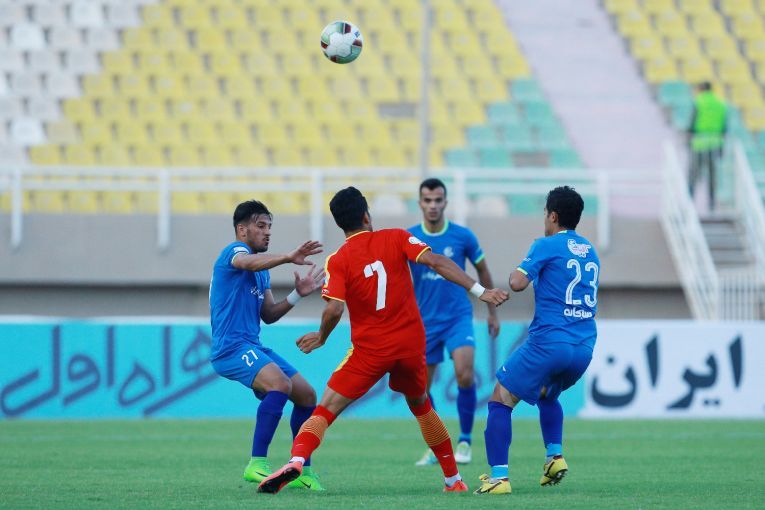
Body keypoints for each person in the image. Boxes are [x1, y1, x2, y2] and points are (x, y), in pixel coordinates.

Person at [257, 186, 509, 494]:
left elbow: (334, 309)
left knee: (326, 409)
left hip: (370, 351)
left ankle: (297, 460)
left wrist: (322, 336)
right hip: (410, 345)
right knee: (422, 406)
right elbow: (436, 262)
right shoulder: (397, 237)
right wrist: (481, 292)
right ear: (366, 216)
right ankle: (453, 480)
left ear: (339, 224)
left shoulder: (338, 260)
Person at [475, 186, 599, 495]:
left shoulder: (545, 245)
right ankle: (554, 457)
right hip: (584, 346)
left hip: (550, 342)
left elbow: (517, 283)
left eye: (545, 213)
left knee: (501, 399)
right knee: (546, 393)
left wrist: (525, 264)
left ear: (553, 216)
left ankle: (499, 478)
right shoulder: (590, 250)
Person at [209, 200, 326, 490]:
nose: (267, 232)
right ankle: (257, 463)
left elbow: (269, 314)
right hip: (230, 348)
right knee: (280, 385)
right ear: (242, 229)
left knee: (307, 395)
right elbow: (245, 262)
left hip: (252, 345)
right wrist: (288, 257)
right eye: (260, 226)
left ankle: (303, 472)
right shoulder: (234, 252)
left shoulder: (262, 272)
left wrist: (297, 295)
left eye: (269, 226)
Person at [408, 178, 499, 466]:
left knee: (464, 374)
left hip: (458, 316)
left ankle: (465, 442)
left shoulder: (463, 236)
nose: (433, 205)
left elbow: (483, 270)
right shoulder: (409, 238)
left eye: (438, 200)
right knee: (421, 390)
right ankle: (439, 446)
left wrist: (492, 312)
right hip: (424, 322)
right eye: (427, 200)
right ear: (420, 203)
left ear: (445, 202)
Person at [687, 81, 727, 213]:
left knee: (693, 175)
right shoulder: (720, 103)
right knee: (712, 176)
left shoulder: (698, 102)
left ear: (701, 89)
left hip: (699, 144)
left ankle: (689, 202)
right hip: (715, 144)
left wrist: (688, 139)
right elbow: (724, 127)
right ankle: (712, 204)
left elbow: (692, 123)